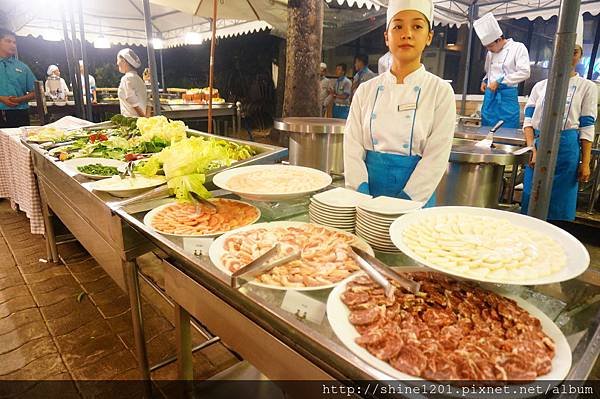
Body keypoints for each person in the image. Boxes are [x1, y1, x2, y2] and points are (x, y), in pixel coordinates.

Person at [344, 0, 455, 204]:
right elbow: (352, 146)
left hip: (416, 198)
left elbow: (436, 157)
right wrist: (360, 190)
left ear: (428, 36)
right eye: (398, 26)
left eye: (417, 26)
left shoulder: (440, 92)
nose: (407, 34)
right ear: (387, 37)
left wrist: (407, 200)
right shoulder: (365, 90)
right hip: (367, 194)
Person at [521, 16, 597, 221]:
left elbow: (587, 126)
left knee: (560, 205)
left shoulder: (588, 87)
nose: (568, 56)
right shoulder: (540, 86)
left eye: (574, 52)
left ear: (580, 56)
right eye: (563, 50)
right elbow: (528, 121)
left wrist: (585, 162)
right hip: (538, 144)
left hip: (567, 149)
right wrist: (531, 148)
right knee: (531, 198)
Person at [474, 12, 530, 129]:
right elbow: (489, 71)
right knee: (486, 129)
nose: (489, 50)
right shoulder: (490, 53)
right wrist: (485, 80)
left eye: (490, 46)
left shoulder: (518, 48)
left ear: (499, 40)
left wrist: (500, 81)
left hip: (507, 97)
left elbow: (525, 72)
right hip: (490, 97)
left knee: (507, 128)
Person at [0, 29, 36, 128]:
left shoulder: (22, 67)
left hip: (19, 113)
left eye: (14, 42)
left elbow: (36, 92)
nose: (13, 45)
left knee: (19, 141)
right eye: (8, 41)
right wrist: (1, 98)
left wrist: (19, 99)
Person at [116, 48, 147, 117]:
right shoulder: (138, 78)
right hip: (139, 121)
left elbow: (132, 99)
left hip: (131, 120)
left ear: (123, 61)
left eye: (118, 60)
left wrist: (143, 118)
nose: (117, 63)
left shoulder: (126, 78)